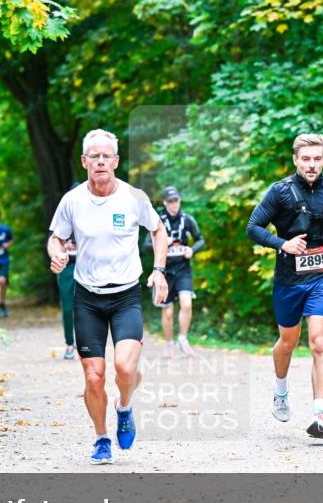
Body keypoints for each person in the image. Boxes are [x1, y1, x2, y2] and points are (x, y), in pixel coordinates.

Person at [47, 129, 169, 464]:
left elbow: (159, 232)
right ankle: (101, 438)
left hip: (126, 296)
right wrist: (56, 254)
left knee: (124, 368)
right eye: (94, 156)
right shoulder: (72, 201)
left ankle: (125, 407)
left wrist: (158, 270)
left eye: (106, 156)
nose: (100, 161)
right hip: (88, 298)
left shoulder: (133, 198)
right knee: (94, 375)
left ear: (115, 161)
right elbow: (56, 238)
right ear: (85, 161)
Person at [246, 133, 323, 439]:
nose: (312, 164)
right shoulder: (280, 192)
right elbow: (252, 228)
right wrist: (283, 243)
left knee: (319, 342)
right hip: (288, 281)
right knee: (288, 343)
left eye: (317, 158)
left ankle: (320, 414)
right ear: (295, 159)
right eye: (305, 159)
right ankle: (280, 389)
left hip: (322, 277)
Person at [145, 186, 205, 358]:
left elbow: (200, 239)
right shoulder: (158, 220)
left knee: (187, 304)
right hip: (164, 270)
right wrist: (164, 242)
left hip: (183, 269)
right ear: (165, 202)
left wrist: (192, 250)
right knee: (168, 312)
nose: (174, 204)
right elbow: (146, 246)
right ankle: (169, 343)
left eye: (176, 200)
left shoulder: (187, 220)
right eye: (170, 201)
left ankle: (183, 339)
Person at [57, 236, 78, 360]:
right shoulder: (62, 221)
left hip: (86, 267)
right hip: (66, 269)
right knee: (67, 308)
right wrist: (64, 247)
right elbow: (51, 245)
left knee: (85, 308)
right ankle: (70, 344)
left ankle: (85, 345)